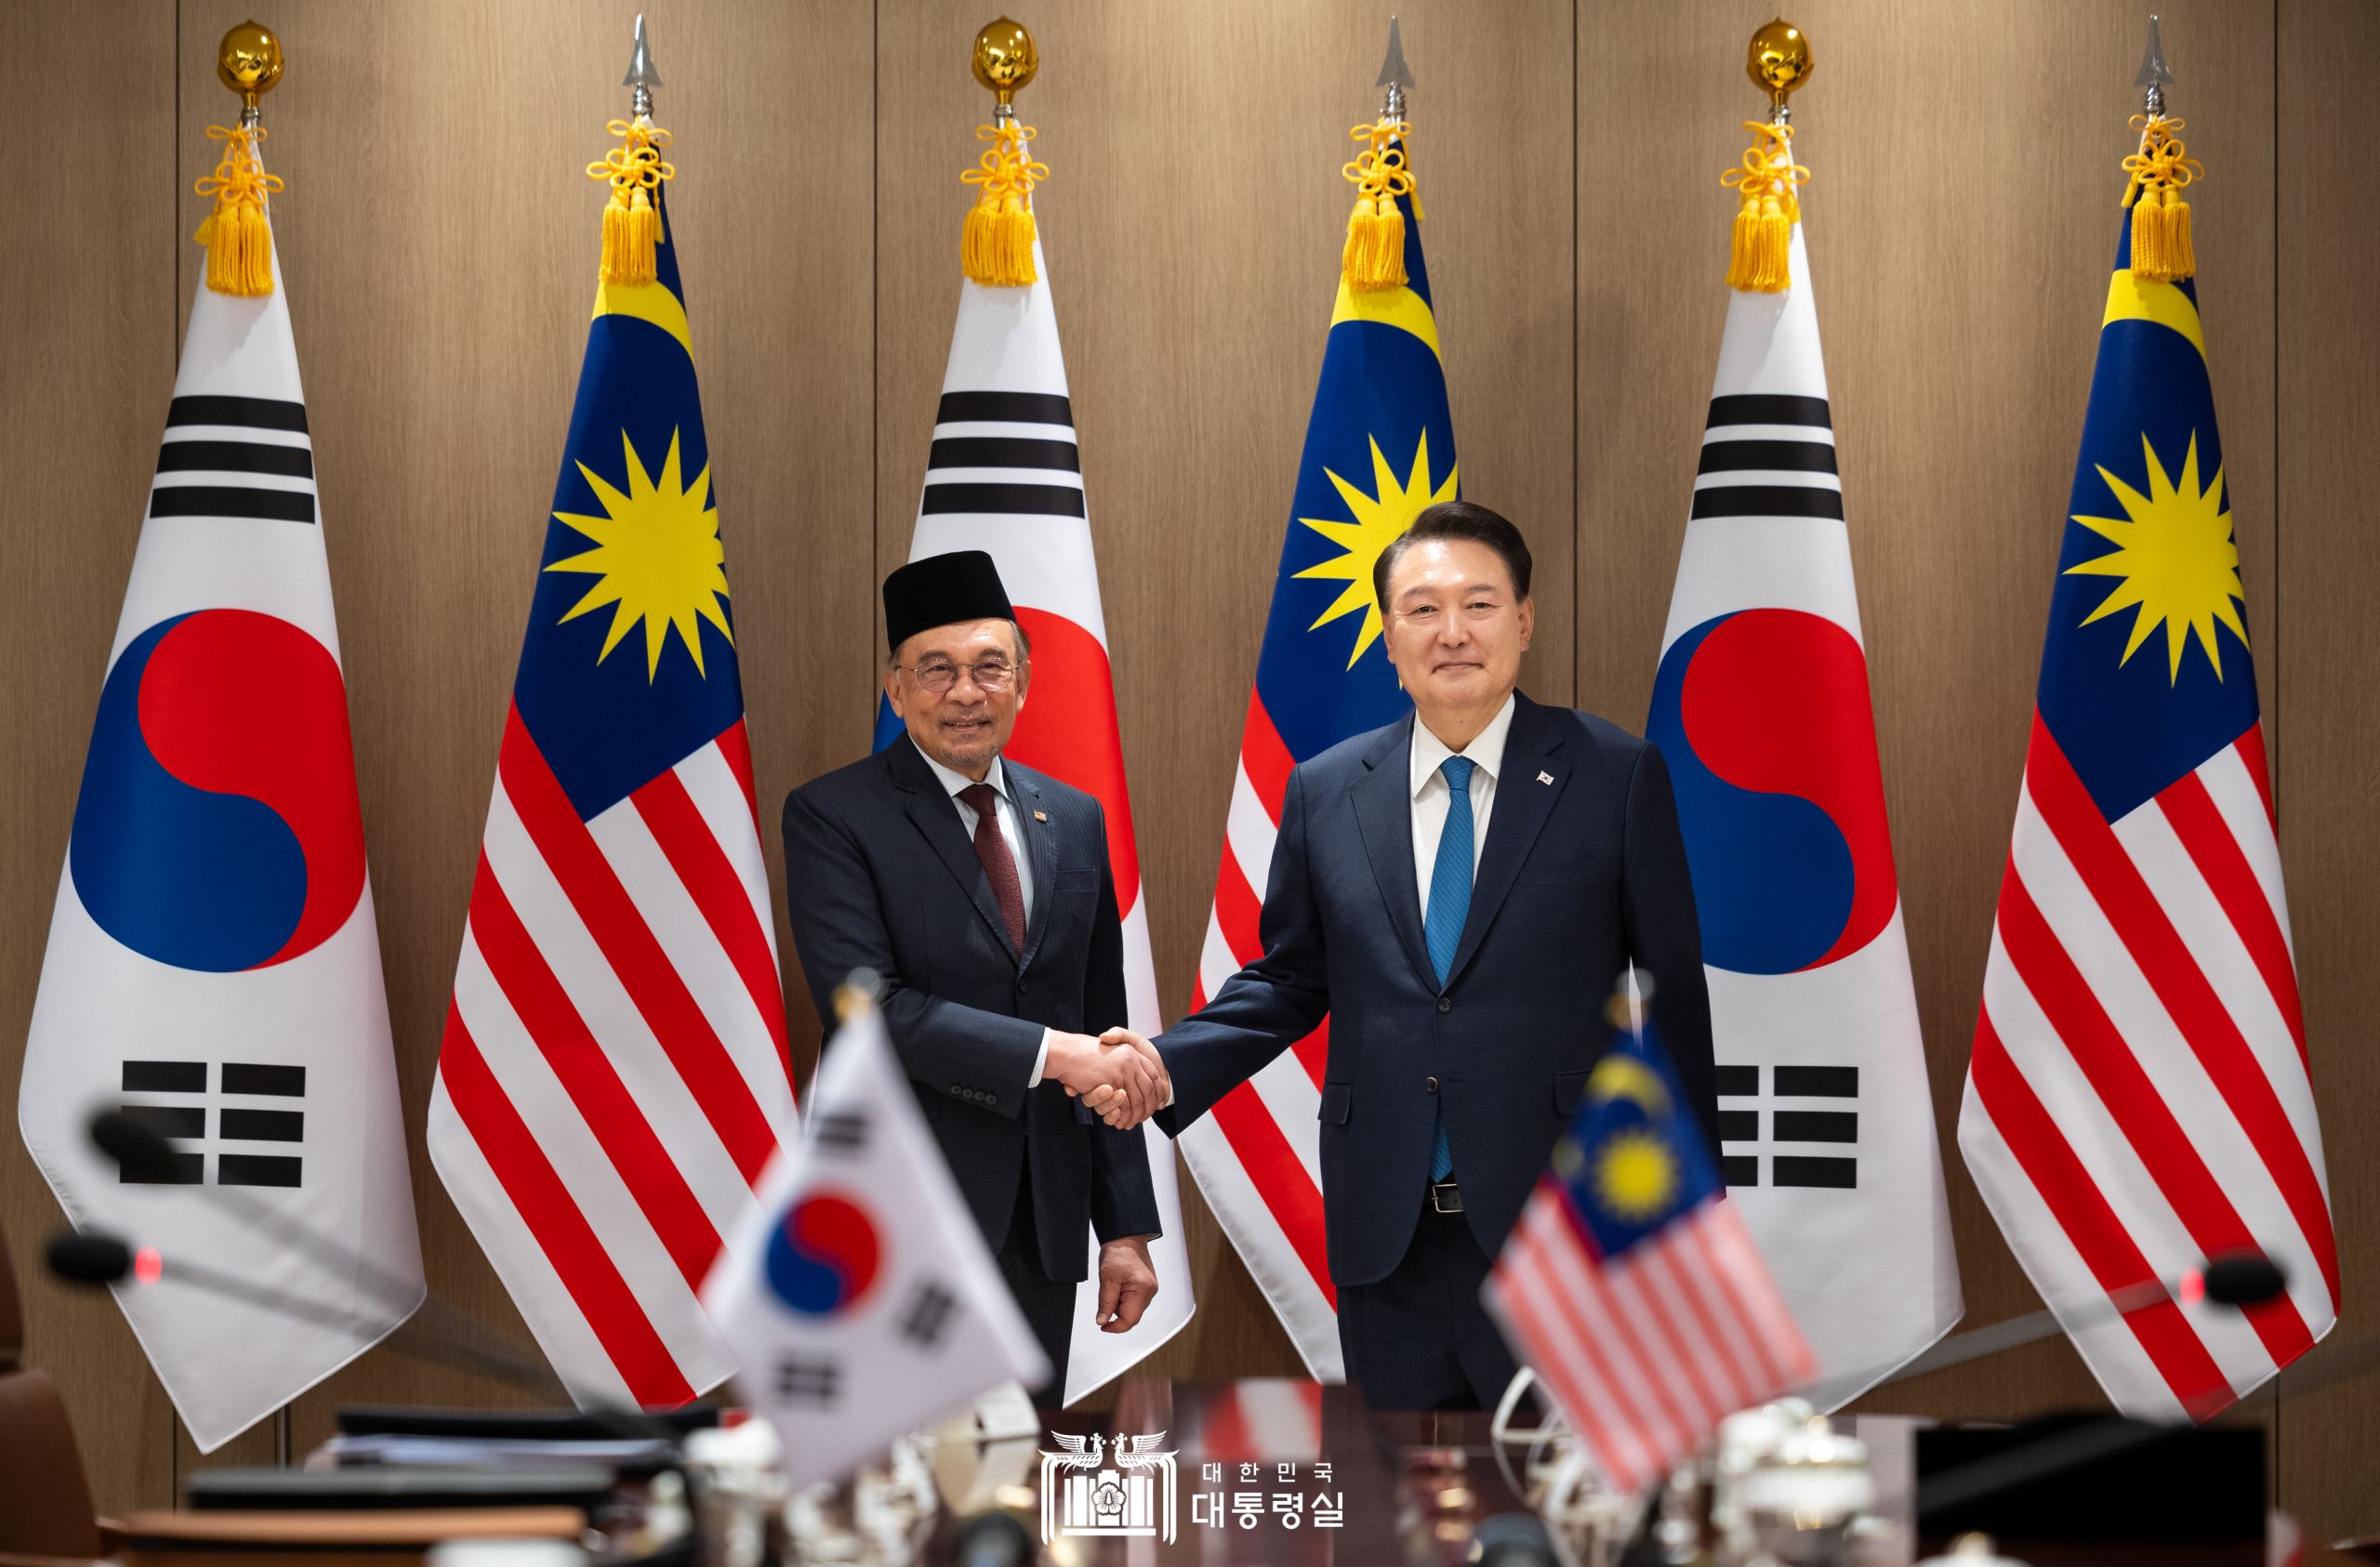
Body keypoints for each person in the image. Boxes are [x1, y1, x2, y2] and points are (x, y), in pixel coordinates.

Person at [1093, 501, 1716, 1410]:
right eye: (1422, 609)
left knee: (1557, 1521)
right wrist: (1159, 1061)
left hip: (1565, 1228)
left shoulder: (1614, 776)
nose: (1452, 633)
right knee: (1396, 1514)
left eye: (1480, 604)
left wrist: (1687, 1223)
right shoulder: (1327, 788)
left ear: (1525, 620)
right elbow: (1290, 978)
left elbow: (1671, 1007)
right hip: (1386, 1228)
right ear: (1388, 634)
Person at [782, 550, 1166, 1401]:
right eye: (938, 671)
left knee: (1021, 1484)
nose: (966, 692)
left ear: (1023, 683)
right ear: (896, 689)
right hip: (900, 1217)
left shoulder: (1072, 817)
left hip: (1045, 1221)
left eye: (991, 667)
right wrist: (1055, 1056)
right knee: (909, 1493)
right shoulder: (835, 816)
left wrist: (1127, 1226)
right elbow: (867, 1008)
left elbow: (1101, 1022)